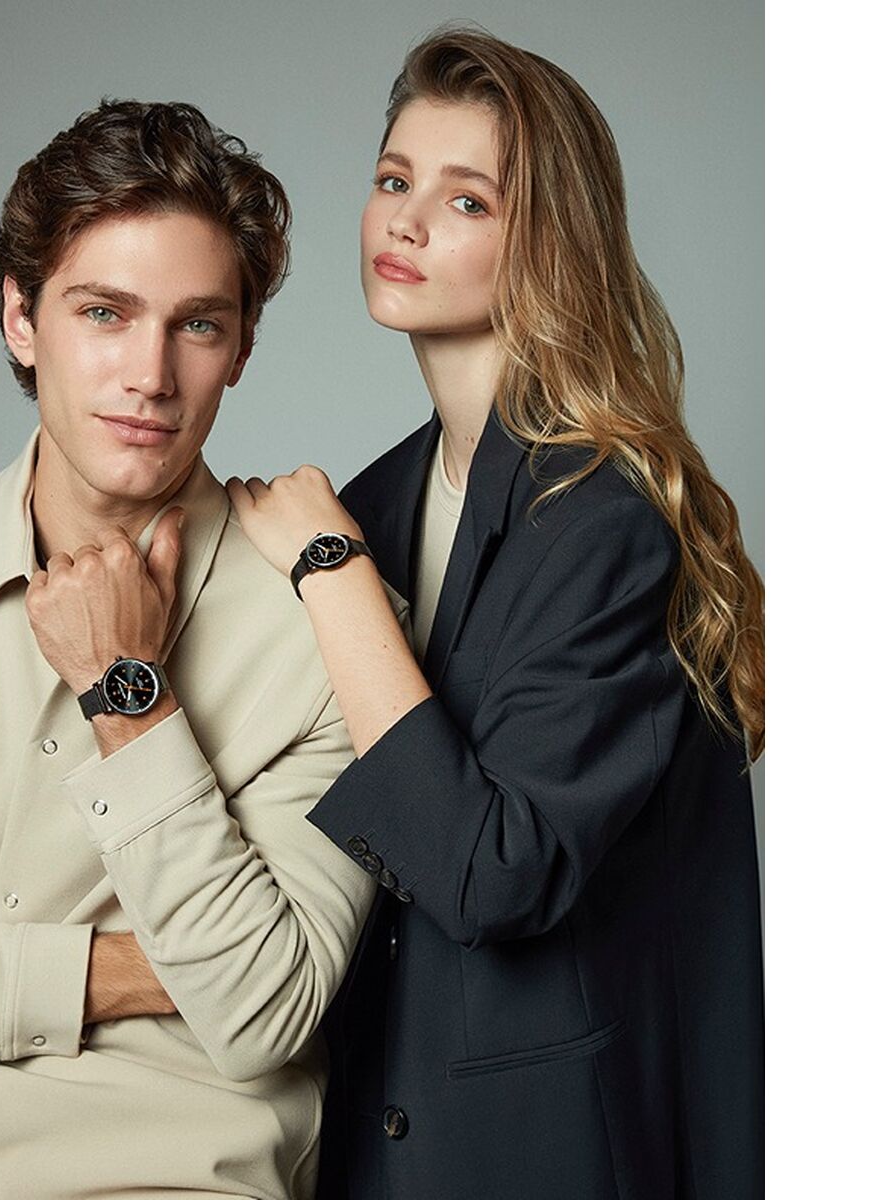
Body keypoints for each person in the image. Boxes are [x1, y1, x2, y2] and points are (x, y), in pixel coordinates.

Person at [0, 99, 375, 1200]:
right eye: (105, 313)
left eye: (197, 325)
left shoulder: (329, 629)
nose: (150, 374)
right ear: (20, 319)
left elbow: (260, 1011)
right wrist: (134, 971)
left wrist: (131, 696)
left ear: (242, 348)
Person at [229, 26, 764, 1200]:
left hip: (544, 1156)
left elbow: (494, 874)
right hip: (373, 1141)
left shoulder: (605, 519)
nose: (407, 222)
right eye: (393, 180)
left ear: (547, 242)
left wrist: (329, 570)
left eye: (466, 200)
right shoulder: (380, 500)